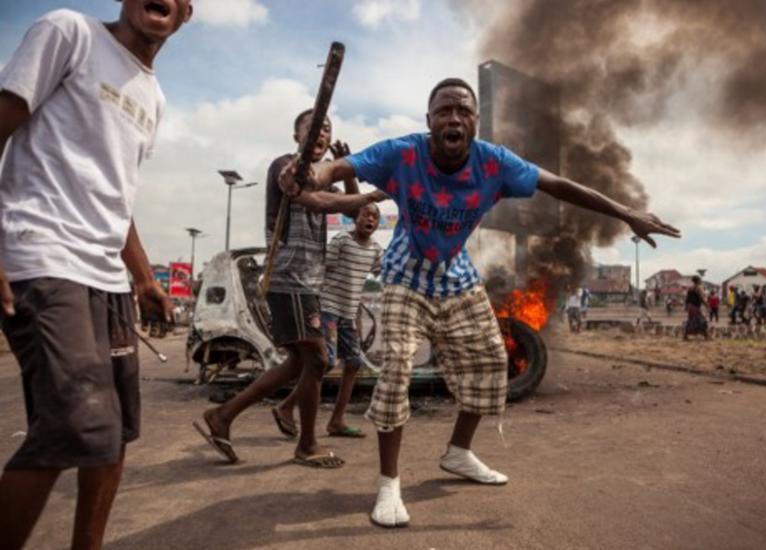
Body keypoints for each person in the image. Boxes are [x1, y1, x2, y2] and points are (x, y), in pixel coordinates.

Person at [280, 77, 680, 527]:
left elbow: (561, 185)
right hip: (406, 273)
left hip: (455, 273)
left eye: (463, 111)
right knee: (396, 368)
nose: (453, 118)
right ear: (429, 120)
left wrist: (627, 213)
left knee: (492, 362)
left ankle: (458, 452)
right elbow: (331, 172)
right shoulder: (403, 153)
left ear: (475, 121)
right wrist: (303, 175)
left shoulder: (495, 163)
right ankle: (389, 483)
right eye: (443, 111)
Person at [0, 2, 192, 548]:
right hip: (40, 251)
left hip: (106, 277)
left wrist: (145, 278)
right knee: (73, 423)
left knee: (116, 432)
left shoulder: (153, 96)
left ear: (185, 14)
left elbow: (114, 194)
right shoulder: (70, 32)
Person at [194, 110, 386, 467]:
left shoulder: (323, 173)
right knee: (317, 359)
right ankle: (306, 444)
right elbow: (320, 202)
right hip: (290, 275)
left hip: (309, 280)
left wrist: (349, 173)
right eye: (312, 127)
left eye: (327, 129)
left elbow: (347, 212)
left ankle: (227, 415)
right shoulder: (286, 167)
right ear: (296, 135)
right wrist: (376, 193)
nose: (321, 133)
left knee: (303, 360)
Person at [272, 203, 384, 439]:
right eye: (365, 214)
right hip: (328, 308)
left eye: (374, 217)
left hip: (349, 313)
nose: (370, 219)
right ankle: (286, 406)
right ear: (356, 218)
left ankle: (336, 421)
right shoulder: (341, 240)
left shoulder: (375, 249)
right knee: (325, 362)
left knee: (353, 363)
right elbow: (322, 268)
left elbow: (383, 271)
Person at [683, 276, 709, 340]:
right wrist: (706, 304)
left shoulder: (690, 288)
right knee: (700, 320)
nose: (701, 281)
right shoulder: (698, 288)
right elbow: (701, 298)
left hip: (690, 306)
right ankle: (706, 336)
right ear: (698, 281)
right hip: (695, 306)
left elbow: (687, 298)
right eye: (700, 280)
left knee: (692, 321)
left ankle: (685, 335)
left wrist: (686, 306)